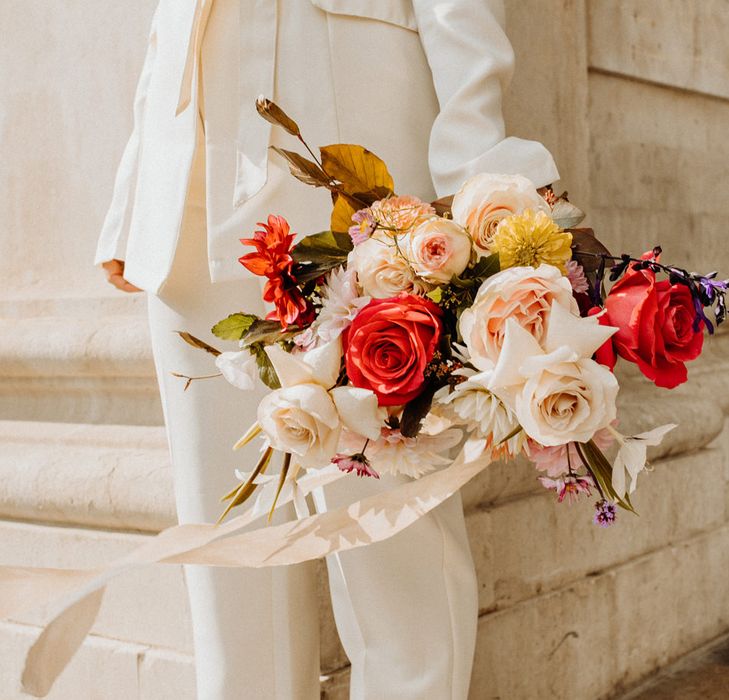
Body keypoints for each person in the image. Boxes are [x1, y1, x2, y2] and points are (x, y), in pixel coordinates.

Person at [96, 1, 559, 698]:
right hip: (184, 208)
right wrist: (134, 194)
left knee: (394, 558)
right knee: (229, 563)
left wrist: (478, 188)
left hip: (354, 197)